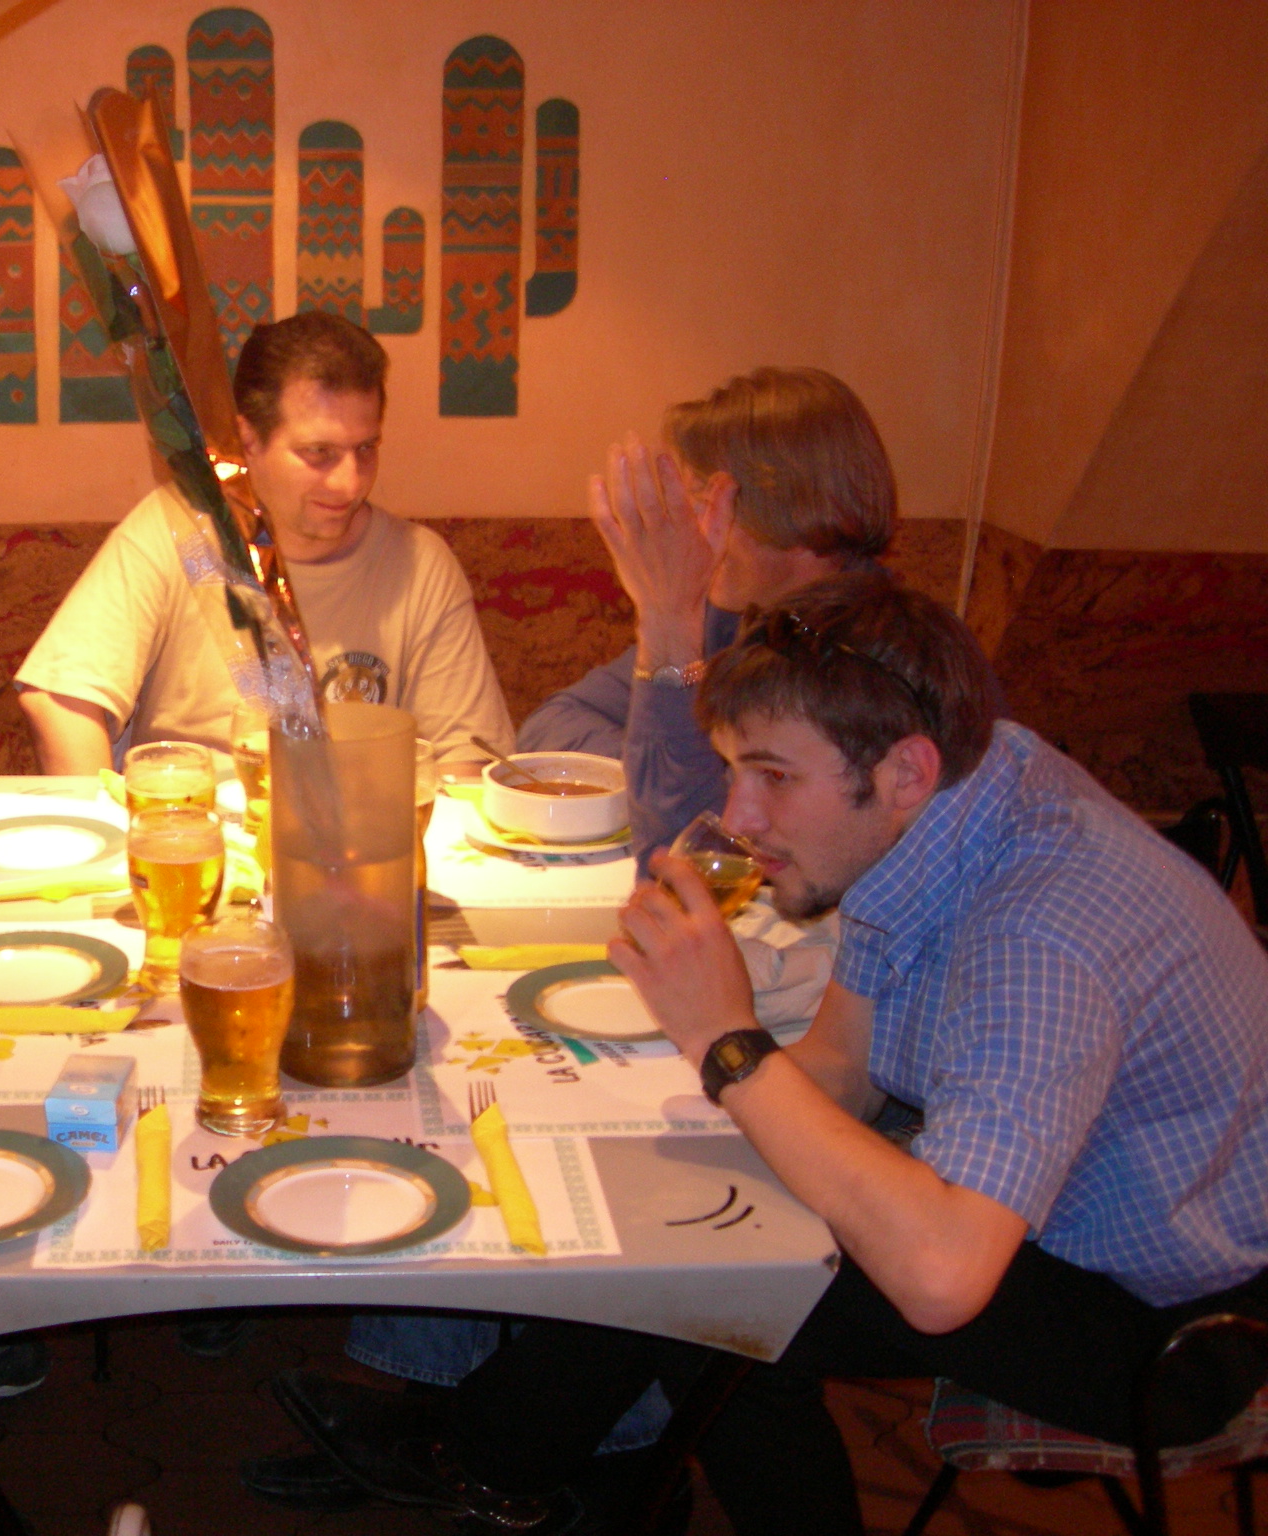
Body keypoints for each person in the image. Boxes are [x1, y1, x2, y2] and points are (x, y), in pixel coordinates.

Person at [269, 572, 1268, 1535]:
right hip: (1041, 1212)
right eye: (735, 771)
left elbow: (942, 1276)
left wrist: (726, 1040)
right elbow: (843, 1069)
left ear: (905, 770)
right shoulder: (949, 794)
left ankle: (488, 1457)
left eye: (775, 777)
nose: (741, 819)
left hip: (1176, 1322)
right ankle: (504, 1459)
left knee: (717, 1293)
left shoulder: (1038, 933)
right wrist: (618, 1112)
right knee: (687, 1226)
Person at [250, 366, 898, 1509]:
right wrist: (673, 652)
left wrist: (667, 629)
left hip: (857, 1060)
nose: (677, 524)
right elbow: (563, 737)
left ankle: (511, 1452)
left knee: (626, 1192)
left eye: (697, 498)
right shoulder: (765, 624)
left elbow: (675, 846)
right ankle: (492, 1439)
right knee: (506, 1075)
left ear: (769, 508)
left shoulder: (859, 664)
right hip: (769, 998)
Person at [16, 310, 514, 769]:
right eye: (319, 453)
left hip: (354, 831)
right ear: (247, 439)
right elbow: (59, 700)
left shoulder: (419, 565)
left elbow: (467, 761)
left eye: (365, 449)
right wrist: (102, 826)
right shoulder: (175, 529)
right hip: (194, 822)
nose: (350, 483)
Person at [518, 366, 896, 860]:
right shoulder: (729, 622)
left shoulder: (875, 661)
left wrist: (667, 620)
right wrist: (673, 762)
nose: (691, 532)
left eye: (704, 502)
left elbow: (694, 858)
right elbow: (552, 722)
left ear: (797, 508)